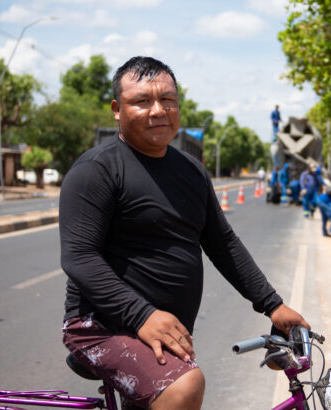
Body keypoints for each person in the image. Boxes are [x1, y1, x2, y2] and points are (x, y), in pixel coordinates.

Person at [59, 56, 308, 410]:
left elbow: (222, 243)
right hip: (102, 327)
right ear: (117, 109)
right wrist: (141, 315)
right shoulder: (97, 170)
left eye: (168, 100)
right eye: (142, 101)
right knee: (184, 387)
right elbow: (79, 257)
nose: (158, 110)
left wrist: (273, 304)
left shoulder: (191, 170)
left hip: (166, 331)